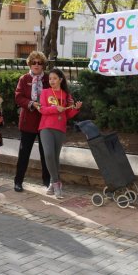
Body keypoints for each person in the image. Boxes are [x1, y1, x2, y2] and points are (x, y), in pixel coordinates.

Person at [37, 68, 82, 199]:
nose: (52, 81)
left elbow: (68, 114)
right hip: (45, 127)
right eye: (50, 78)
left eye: (55, 78)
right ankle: (57, 183)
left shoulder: (66, 95)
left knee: (55, 157)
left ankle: (52, 182)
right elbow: (42, 109)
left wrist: (76, 109)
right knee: (49, 154)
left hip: (60, 128)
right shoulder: (45, 92)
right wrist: (54, 108)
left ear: (60, 80)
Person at [13, 51, 51, 192]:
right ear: (29, 63)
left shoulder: (48, 79)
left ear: (43, 65)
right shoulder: (24, 79)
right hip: (28, 120)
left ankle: (47, 181)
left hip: (45, 121)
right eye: (33, 62)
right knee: (24, 153)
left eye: (39, 63)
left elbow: (55, 94)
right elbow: (18, 97)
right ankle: (18, 181)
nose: (36, 65)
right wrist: (31, 103)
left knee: (45, 153)